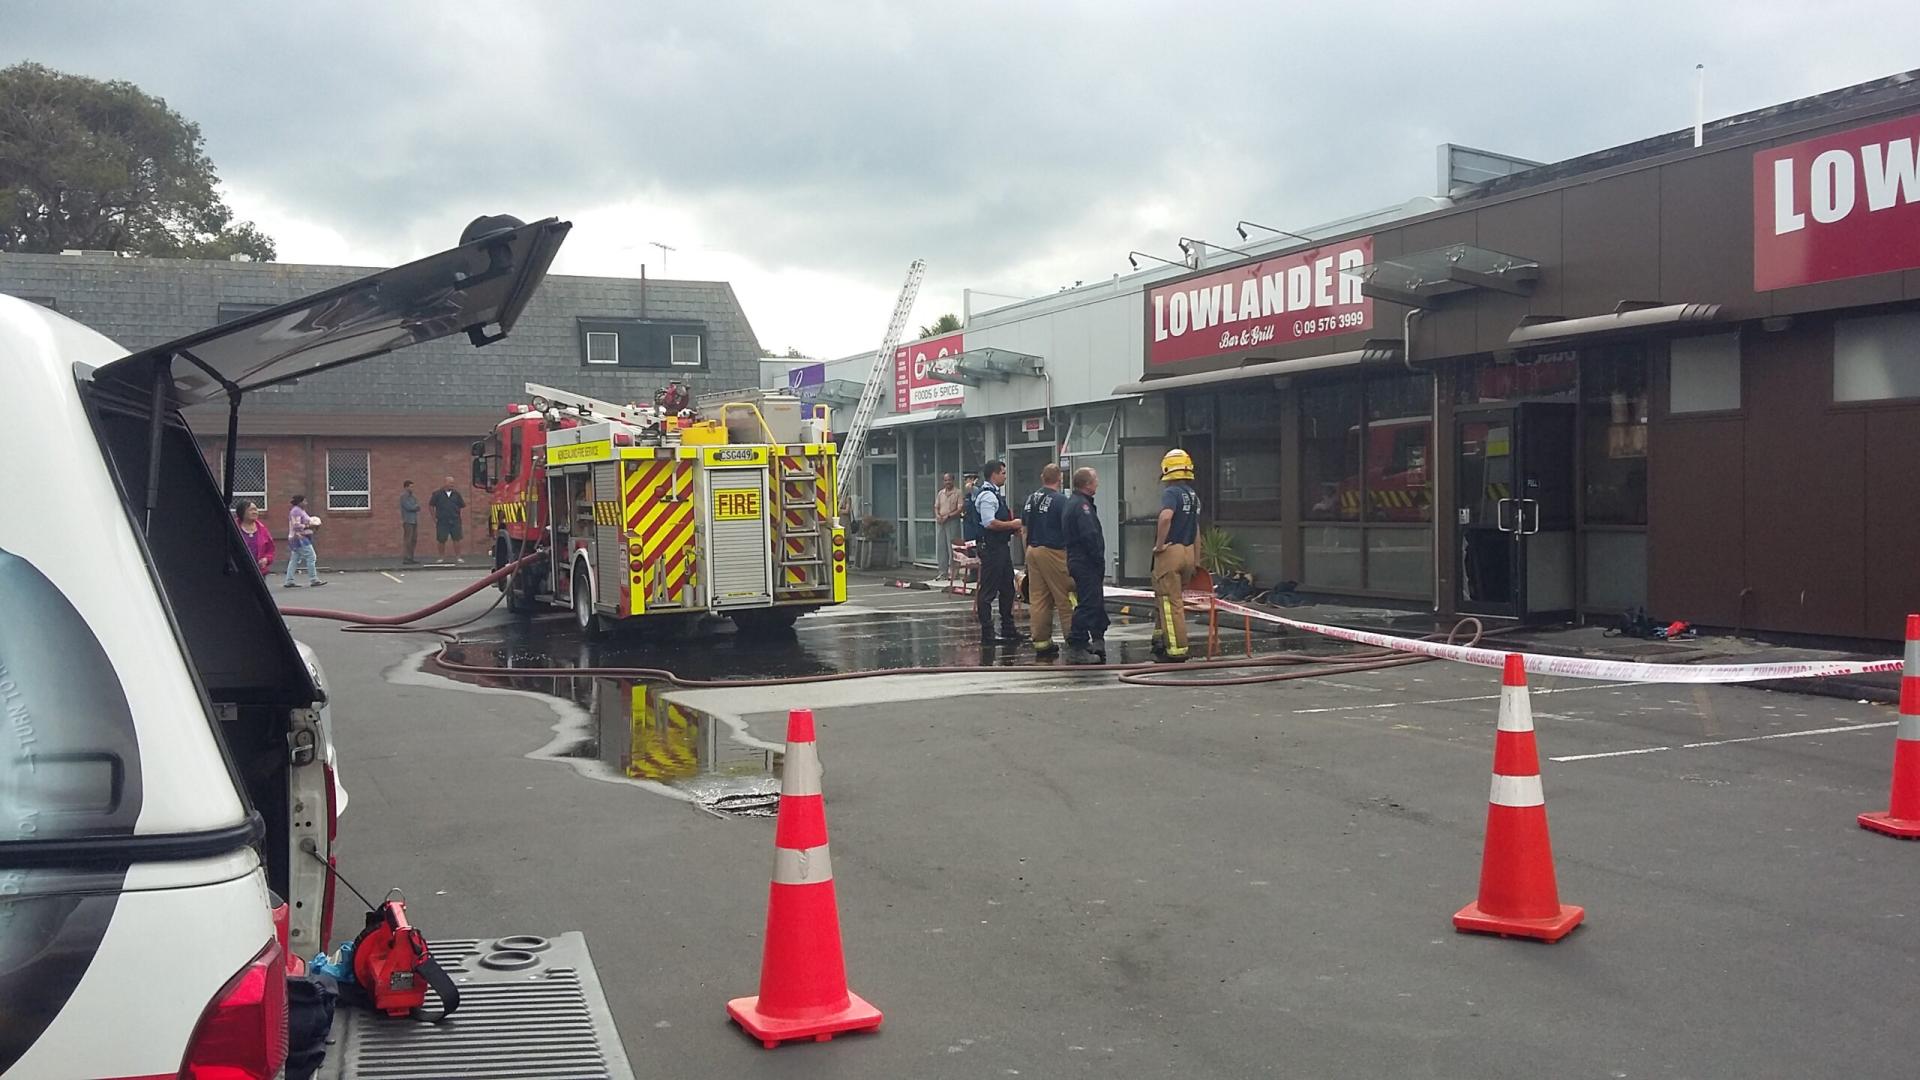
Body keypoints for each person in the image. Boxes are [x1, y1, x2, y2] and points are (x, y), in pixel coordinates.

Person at [1152, 448, 1202, 661]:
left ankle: (1176, 651)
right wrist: (1197, 560)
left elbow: (1165, 518)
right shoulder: (1192, 495)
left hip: (1171, 553)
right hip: (1188, 552)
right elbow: (1197, 529)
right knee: (1166, 600)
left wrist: (1159, 545)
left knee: (1170, 604)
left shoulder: (1171, 493)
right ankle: (1159, 640)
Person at [1020, 463, 1073, 657]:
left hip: (1032, 550)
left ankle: (1042, 642)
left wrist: (1027, 553)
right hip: (1054, 551)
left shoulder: (1030, 499)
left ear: (1043, 478)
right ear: (1060, 479)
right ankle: (1075, 640)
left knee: (1039, 599)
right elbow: (1068, 528)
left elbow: (1023, 530)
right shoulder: (1061, 500)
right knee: (1066, 596)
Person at [971, 460, 1024, 645]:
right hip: (991, 549)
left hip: (1001, 548)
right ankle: (988, 633)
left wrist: (1011, 529)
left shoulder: (996, 494)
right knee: (988, 592)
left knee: (1007, 589)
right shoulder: (987, 496)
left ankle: (1008, 629)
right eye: (1003, 473)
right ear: (994, 474)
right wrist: (1012, 524)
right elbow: (989, 523)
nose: (1005, 476)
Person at [1062, 467, 1108, 665]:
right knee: (1088, 603)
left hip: (1081, 561)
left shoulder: (1078, 503)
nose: (1097, 482)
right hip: (1085, 562)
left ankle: (1096, 639)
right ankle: (1077, 645)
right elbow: (1089, 535)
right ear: (1087, 484)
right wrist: (1098, 557)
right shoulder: (1082, 507)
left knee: (1094, 601)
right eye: (1095, 479)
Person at [284, 494, 326, 589]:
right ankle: (314, 579)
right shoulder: (296, 511)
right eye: (304, 501)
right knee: (311, 556)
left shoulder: (300, 511)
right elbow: (296, 525)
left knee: (294, 559)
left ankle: (289, 580)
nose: (306, 503)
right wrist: (309, 526)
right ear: (300, 502)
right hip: (299, 538)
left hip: (298, 537)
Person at [933, 473, 964, 582]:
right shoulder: (940, 493)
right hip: (941, 523)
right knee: (941, 548)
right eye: (945, 480)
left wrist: (948, 515)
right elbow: (936, 507)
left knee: (952, 548)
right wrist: (937, 515)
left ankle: (954, 574)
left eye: (949, 480)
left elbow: (960, 509)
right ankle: (942, 573)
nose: (947, 482)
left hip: (952, 522)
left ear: (953, 480)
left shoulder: (958, 492)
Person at [428, 476, 466, 563]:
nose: (452, 485)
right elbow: (431, 505)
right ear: (445, 483)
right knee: (441, 539)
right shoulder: (437, 494)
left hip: (455, 520)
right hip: (442, 520)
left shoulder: (457, 494)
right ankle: (441, 557)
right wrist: (434, 518)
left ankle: (458, 557)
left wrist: (459, 517)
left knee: (457, 539)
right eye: (450, 483)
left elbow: (462, 506)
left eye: (453, 483)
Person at [235, 500, 275, 576]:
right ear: (242, 512)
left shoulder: (262, 529)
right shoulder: (234, 528)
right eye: (251, 510)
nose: (255, 512)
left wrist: (266, 559)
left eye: (256, 509)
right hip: (238, 572)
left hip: (259, 572)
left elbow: (270, 550)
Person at [399, 480, 422, 564]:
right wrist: (415, 507)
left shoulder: (413, 497)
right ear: (406, 487)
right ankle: (406, 558)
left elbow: (418, 506)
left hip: (414, 520)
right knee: (408, 539)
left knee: (414, 539)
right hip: (407, 520)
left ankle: (411, 557)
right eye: (410, 487)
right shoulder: (403, 496)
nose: (412, 488)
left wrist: (415, 507)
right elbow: (409, 507)